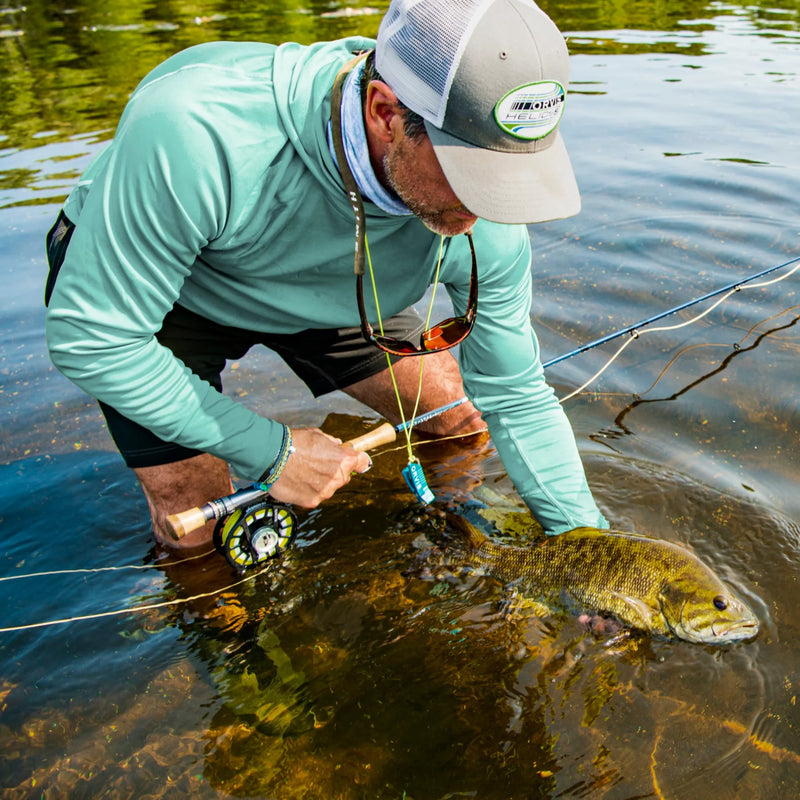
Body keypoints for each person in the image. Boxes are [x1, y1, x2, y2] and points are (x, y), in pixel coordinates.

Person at [44, 0, 609, 550]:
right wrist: (273, 451)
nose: (486, 210)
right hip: (179, 294)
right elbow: (94, 339)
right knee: (196, 528)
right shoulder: (196, 132)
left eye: (512, 174)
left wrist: (589, 547)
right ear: (385, 112)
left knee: (457, 422)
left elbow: (515, 394)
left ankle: (451, 534)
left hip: (345, 288)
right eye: (472, 173)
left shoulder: (484, 218)